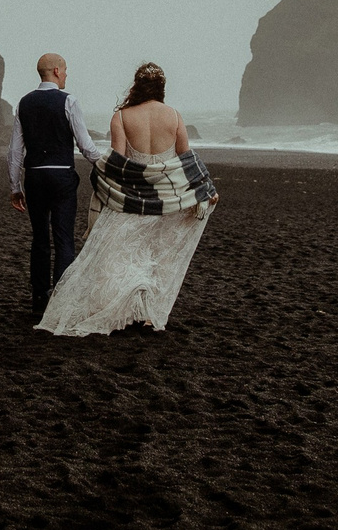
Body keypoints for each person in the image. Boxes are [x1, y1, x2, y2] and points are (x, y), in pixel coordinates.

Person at [36, 62, 217, 336]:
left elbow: (118, 162)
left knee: (127, 255)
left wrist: (102, 180)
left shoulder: (121, 117)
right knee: (158, 256)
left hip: (132, 198)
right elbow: (186, 160)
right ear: (161, 87)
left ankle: (128, 310)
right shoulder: (175, 116)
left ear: (136, 85)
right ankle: (147, 315)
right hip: (167, 201)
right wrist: (205, 188)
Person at [7, 53, 106, 319]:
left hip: (35, 176)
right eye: (65, 70)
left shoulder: (24, 103)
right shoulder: (68, 101)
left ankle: (38, 297)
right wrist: (105, 165)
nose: (66, 75)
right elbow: (85, 145)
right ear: (56, 71)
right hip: (62, 176)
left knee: (40, 238)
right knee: (63, 239)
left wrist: (16, 186)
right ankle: (61, 299)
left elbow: (16, 151)